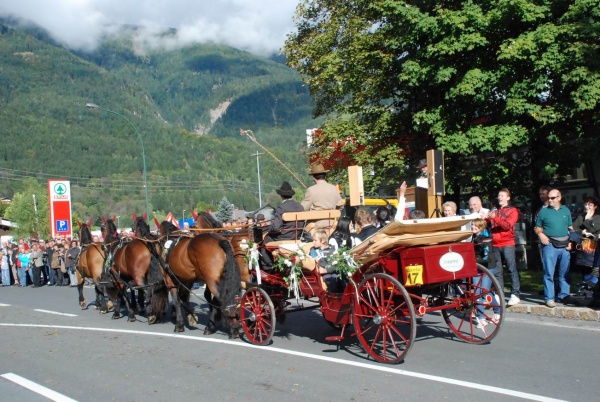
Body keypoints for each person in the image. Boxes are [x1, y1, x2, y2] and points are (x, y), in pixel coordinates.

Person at [535, 188, 573, 307]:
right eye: (549, 198)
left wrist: (571, 241)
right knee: (548, 273)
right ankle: (549, 298)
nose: (549, 200)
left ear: (559, 198)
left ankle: (564, 295)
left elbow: (570, 227)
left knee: (564, 273)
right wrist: (541, 235)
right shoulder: (543, 211)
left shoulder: (566, 211)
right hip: (550, 245)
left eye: (552, 198)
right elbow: (537, 227)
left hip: (564, 245)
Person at [486, 188, 520, 306]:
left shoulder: (513, 210)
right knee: (498, 271)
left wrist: (494, 217)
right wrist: (486, 217)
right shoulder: (496, 210)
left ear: (508, 198)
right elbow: (489, 224)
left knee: (511, 268)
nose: (500, 198)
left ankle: (515, 294)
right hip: (495, 243)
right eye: (499, 196)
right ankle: (499, 294)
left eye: (502, 196)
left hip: (507, 243)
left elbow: (507, 226)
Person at [260, 181, 305, 269]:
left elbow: (276, 227)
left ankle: (268, 267)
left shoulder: (281, 207)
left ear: (281, 195)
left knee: (263, 241)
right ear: (291, 195)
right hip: (298, 236)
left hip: (285, 237)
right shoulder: (300, 207)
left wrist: (269, 230)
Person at [301, 163, 344, 232]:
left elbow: (303, 208)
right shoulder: (334, 188)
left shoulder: (311, 190)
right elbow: (340, 205)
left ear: (314, 177)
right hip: (331, 225)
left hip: (316, 226)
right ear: (325, 176)